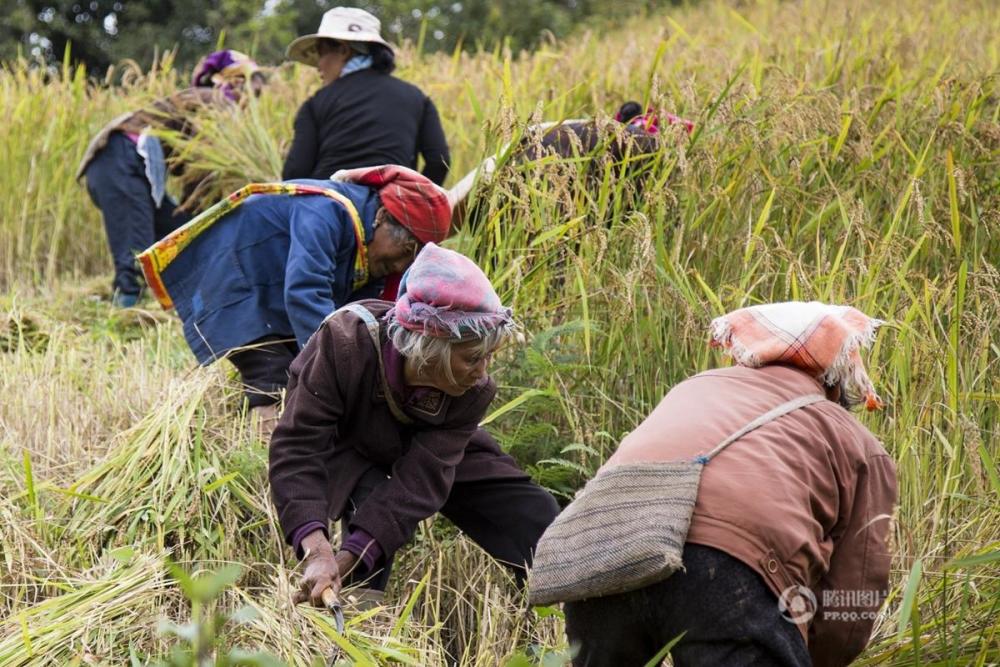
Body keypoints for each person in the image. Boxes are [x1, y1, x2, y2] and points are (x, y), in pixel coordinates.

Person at [559, 302, 897, 667]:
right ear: (837, 379)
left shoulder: (693, 389)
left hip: (599, 550)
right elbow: (852, 597)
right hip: (725, 572)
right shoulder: (855, 440)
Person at [268, 243, 560, 608]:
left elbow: (420, 480)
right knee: (368, 504)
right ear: (428, 347)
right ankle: (357, 620)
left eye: (488, 357)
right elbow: (298, 449)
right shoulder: (343, 342)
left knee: (533, 513)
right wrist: (318, 550)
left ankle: (565, 604)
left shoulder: (472, 389)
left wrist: (349, 555)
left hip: (431, 443)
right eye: (472, 358)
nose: (483, 372)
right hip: (350, 441)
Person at [138, 165, 453, 433]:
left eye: (412, 261)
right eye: (404, 252)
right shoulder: (326, 212)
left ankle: (260, 430)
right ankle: (262, 455)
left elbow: (357, 317)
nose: (401, 267)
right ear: (382, 217)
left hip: (273, 287)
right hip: (234, 271)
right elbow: (306, 292)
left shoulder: (371, 245)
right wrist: (337, 364)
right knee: (270, 370)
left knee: (298, 371)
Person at [77, 50, 263, 307]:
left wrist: (197, 224)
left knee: (178, 235)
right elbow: (202, 174)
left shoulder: (202, 101)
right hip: (120, 160)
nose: (252, 102)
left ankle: (182, 298)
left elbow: (191, 168)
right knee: (136, 249)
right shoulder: (217, 102)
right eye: (253, 92)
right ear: (235, 82)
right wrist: (211, 218)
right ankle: (127, 312)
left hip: (130, 169)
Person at [282, 7, 450, 186]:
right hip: (392, 205)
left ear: (344, 50)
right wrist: (413, 201)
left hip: (327, 204)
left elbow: (295, 174)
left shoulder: (315, 103)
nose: (318, 65)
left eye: (321, 52)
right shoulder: (418, 98)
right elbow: (439, 162)